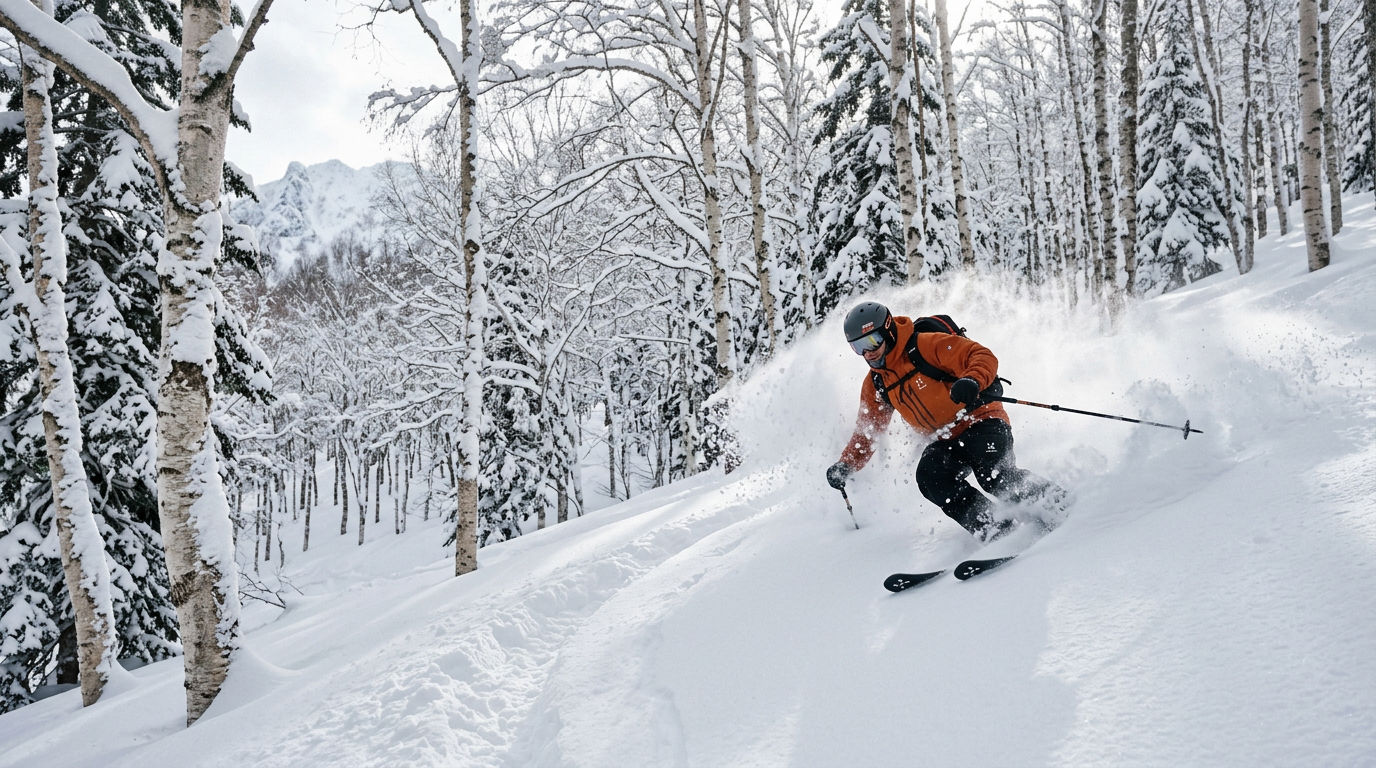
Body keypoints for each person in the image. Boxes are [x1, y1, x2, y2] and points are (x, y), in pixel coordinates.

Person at [825, 301, 1063, 541]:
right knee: (931, 477)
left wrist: (972, 380)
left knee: (993, 474)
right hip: (945, 438)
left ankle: (1056, 506)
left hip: (980, 418)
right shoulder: (876, 382)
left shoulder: (923, 345)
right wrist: (847, 465)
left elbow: (980, 355)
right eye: (858, 347)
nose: (868, 352)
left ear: (887, 330)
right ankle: (995, 528)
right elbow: (868, 431)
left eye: (872, 341)